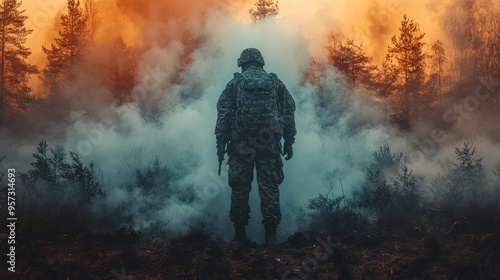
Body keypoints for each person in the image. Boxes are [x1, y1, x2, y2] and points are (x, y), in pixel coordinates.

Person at [214, 48, 296, 246]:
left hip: (241, 146)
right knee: (269, 187)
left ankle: (240, 236)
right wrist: (289, 140)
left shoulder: (235, 83)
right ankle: (271, 236)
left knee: (240, 187)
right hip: (269, 144)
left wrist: (220, 145)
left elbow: (223, 115)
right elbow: (288, 111)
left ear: (242, 63)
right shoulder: (275, 82)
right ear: (261, 62)